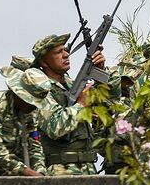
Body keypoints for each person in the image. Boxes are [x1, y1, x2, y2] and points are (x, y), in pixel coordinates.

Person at [30, 34, 106, 175]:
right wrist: (81, 104)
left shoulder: (73, 85)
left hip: (88, 168)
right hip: (61, 170)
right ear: (44, 62)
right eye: (58, 52)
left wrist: (100, 72)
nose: (66, 55)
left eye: (65, 50)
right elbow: (55, 127)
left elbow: (109, 106)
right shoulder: (40, 89)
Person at [0, 67, 48, 176]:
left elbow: (34, 146)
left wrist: (40, 172)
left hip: (5, 170)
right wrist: (27, 172)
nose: (34, 107)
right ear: (19, 94)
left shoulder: (29, 112)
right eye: (31, 101)